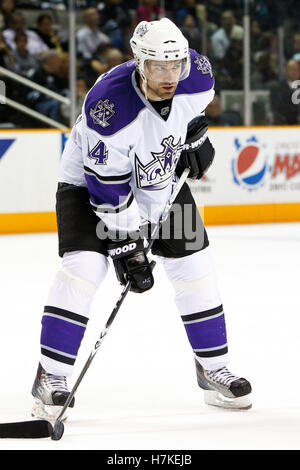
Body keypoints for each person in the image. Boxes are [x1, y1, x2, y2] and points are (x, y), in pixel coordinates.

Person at [31, 18, 252, 421]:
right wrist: (128, 247)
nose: (170, 75)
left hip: (160, 182)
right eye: (159, 67)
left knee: (195, 268)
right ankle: (52, 375)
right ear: (139, 64)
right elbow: (108, 193)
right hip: (90, 189)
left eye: (176, 65)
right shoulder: (109, 109)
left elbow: (188, 116)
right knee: (84, 269)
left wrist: (194, 139)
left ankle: (212, 368)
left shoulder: (196, 73)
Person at [270, 59, 300, 125]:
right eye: (291, 69)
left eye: (297, 69)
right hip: (285, 127)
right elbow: (277, 111)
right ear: (285, 71)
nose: (294, 72)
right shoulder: (277, 88)